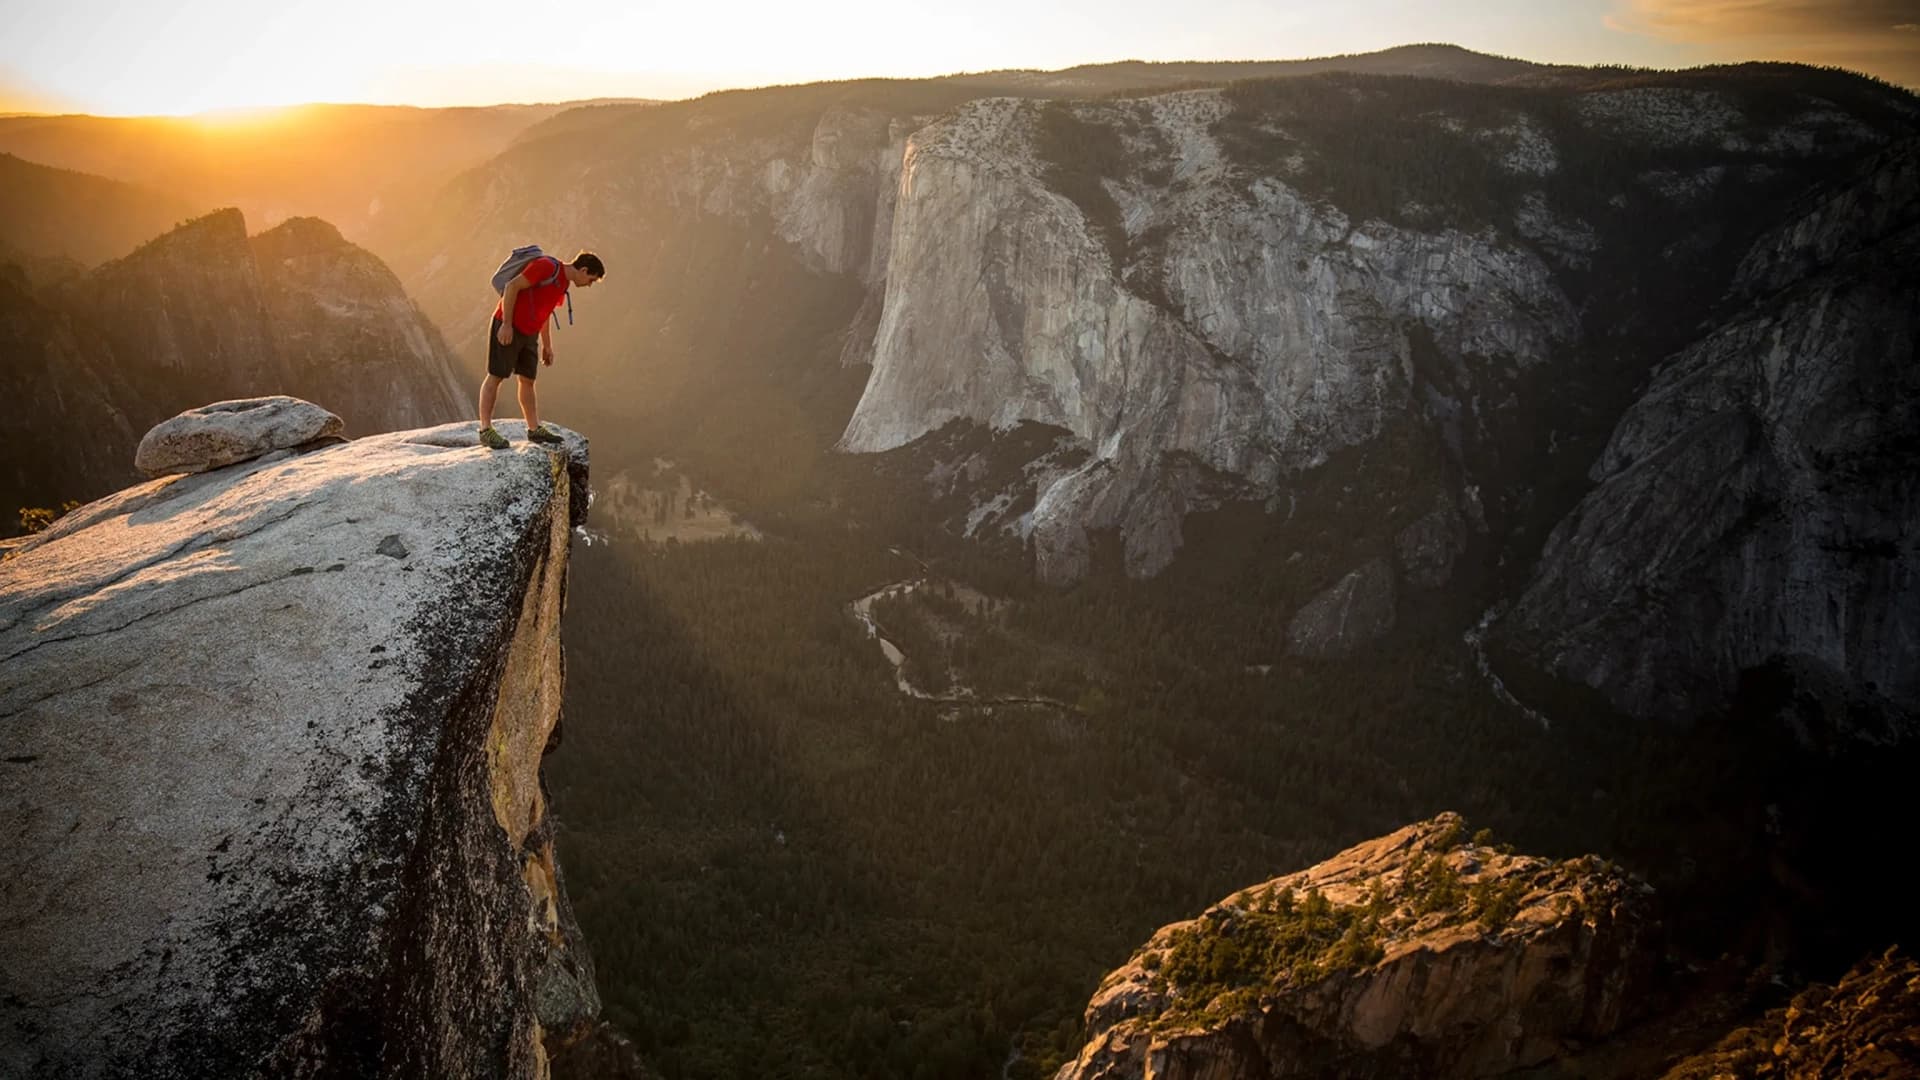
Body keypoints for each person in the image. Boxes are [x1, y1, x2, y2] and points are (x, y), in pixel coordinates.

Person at [477, 250, 605, 448]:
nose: (588, 284)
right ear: (584, 270)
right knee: (496, 375)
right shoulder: (546, 267)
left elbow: (545, 311)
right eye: (590, 279)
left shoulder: (562, 283)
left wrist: (547, 345)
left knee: (527, 379)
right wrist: (507, 325)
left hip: (530, 331)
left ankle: (534, 429)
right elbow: (512, 287)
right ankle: (485, 430)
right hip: (508, 324)